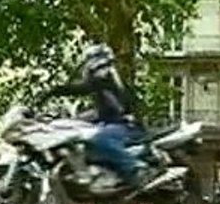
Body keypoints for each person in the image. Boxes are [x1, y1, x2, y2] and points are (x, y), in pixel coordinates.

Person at [34, 43, 157, 191]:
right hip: (116, 124)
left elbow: (80, 88)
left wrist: (52, 91)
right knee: (83, 137)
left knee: (97, 139)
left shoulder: (106, 78)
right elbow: (103, 111)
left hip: (127, 127)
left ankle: (136, 168)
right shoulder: (106, 83)